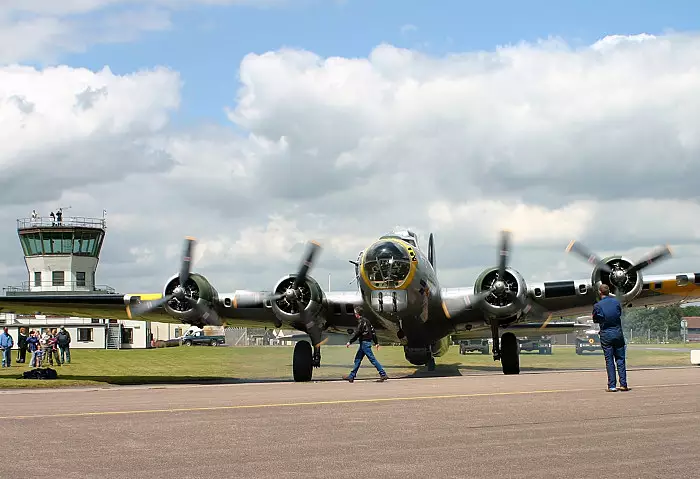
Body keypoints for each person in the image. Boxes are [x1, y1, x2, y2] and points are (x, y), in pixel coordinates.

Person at [592, 284, 629, 392]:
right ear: (609, 292)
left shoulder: (597, 305)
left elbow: (595, 319)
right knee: (620, 359)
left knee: (609, 361)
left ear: (600, 292)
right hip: (618, 333)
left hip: (606, 334)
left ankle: (612, 386)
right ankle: (623, 384)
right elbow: (619, 314)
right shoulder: (616, 303)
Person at [343, 305, 388, 382]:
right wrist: (376, 342)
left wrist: (350, 341)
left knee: (372, 359)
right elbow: (373, 332)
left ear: (357, 314)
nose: (354, 314)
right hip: (365, 343)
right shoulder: (367, 321)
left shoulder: (361, 322)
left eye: (355, 313)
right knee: (358, 359)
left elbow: (357, 333)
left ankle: (383, 374)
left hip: (365, 343)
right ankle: (351, 376)